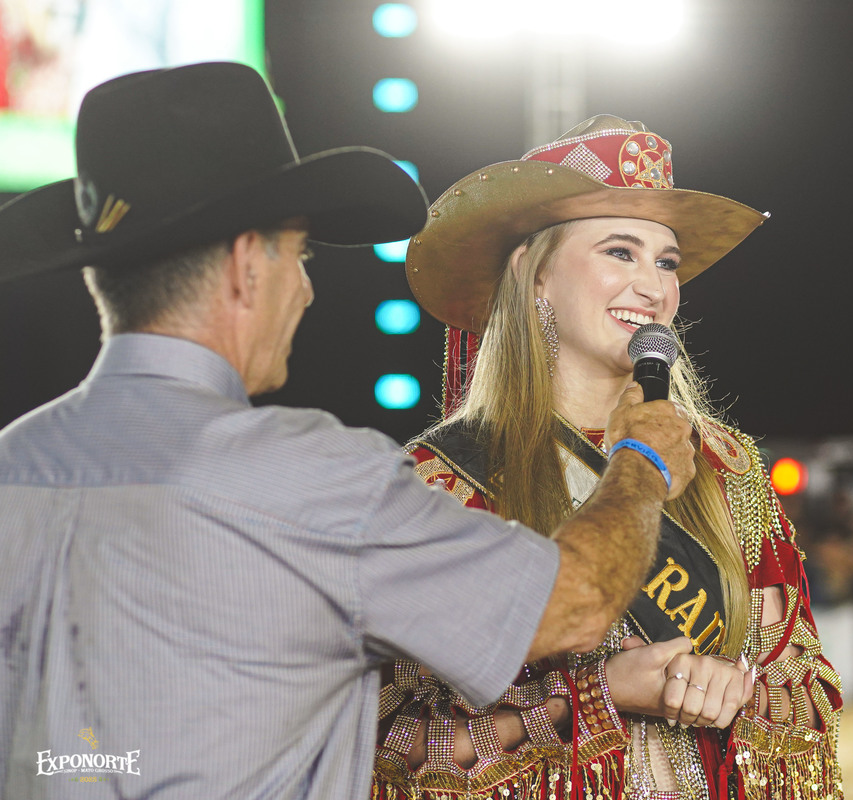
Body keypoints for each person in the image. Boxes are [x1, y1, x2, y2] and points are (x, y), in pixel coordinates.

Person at [0, 63, 696, 799]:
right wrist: (641, 460)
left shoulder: (14, 466)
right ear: (246, 264)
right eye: (300, 254)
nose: (305, 288)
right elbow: (577, 602)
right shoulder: (317, 482)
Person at [372, 115, 844, 800]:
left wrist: (729, 685)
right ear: (533, 272)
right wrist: (594, 696)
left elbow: (802, 684)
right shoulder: (444, 480)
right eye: (621, 252)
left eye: (667, 262)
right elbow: (396, 744)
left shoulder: (725, 464)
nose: (654, 288)